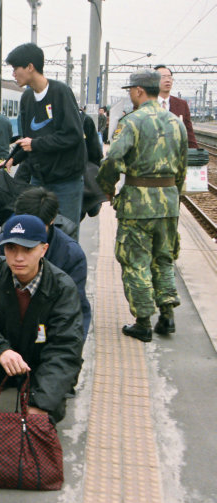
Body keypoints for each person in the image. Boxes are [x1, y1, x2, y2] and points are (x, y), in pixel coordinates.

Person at [96, 69, 188, 342]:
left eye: (130, 91)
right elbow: (183, 166)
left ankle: (144, 321)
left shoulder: (132, 122)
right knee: (164, 258)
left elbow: (112, 159)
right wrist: (174, 194)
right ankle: (168, 316)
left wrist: (107, 188)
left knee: (135, 261)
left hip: (138, 203)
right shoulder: (176, 122)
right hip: (169, 202)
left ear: (138, 91)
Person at [0, 215, 84, 423]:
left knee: (42, 419)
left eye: (27, 249)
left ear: (43, 249)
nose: (18, 257)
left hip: (38, 368)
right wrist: (1, 349)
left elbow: (65, 349)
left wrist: (40, 403)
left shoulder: (62, 287)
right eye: (11, 248)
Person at [4, 42, 87, 240]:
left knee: (65, 234)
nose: (13, 74)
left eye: (16, 68)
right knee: (36, 233)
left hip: (66, 180)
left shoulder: (60, 92)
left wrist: (35, 144)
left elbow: (72, 135)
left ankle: (66, 271)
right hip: (39, 179)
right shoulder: (27, 98)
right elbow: (28, 139)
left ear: (30, 67)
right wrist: (12, 159)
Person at [12, 187, 91, 337]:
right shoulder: (6, 244)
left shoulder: (71, 255)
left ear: (53, 219)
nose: (19, 257)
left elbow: (75, 311)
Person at [155, 65, 198, 149]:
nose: (167, 80)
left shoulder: (182, 105)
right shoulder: (145, 104)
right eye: (163, 77)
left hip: (176, 155)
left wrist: (195, 153)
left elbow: (189, 133)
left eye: (170, 77)